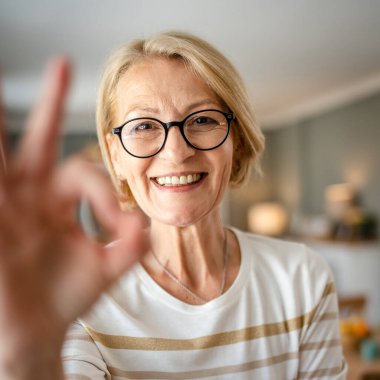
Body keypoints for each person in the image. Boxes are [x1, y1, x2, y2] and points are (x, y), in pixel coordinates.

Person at [0, 31, 347, 379]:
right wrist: (26, 359)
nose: (176, 152)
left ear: (236, 141)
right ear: (116, 155)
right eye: (145, 126)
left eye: (202, 120)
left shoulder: (302, 278)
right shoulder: (80, 298)